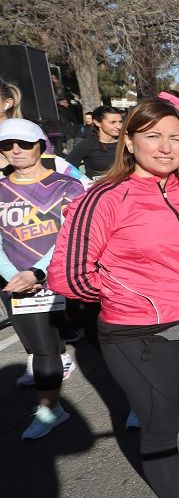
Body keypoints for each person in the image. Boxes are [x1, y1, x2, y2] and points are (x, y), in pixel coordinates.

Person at [48, 99, 179, 498]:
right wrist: (128, 296)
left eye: (175, 137)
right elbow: (67, 276)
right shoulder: (104, 197)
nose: (165, 147)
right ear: (129, 142)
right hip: (135, 332)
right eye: (152, 136)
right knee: (160, 420)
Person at [0, 120, 84, 439]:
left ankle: (138, 403)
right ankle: (50, 409)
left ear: (40, 145)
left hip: (69, 277)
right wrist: (15, 276)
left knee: (101, 344)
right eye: (7, 145)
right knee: (44, 350)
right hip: (21, 284)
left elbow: (72, 235)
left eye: (22, 143)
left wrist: (39, 271)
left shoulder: (67, 186)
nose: (15, 150)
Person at [67, 106, 122, 178]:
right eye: (112, 122)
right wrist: (83, 182)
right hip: (97, 187)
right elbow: (68, 169)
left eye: (120, 122)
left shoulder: (127, 143)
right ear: (97, 122)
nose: (119, 126)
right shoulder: (86, 145)